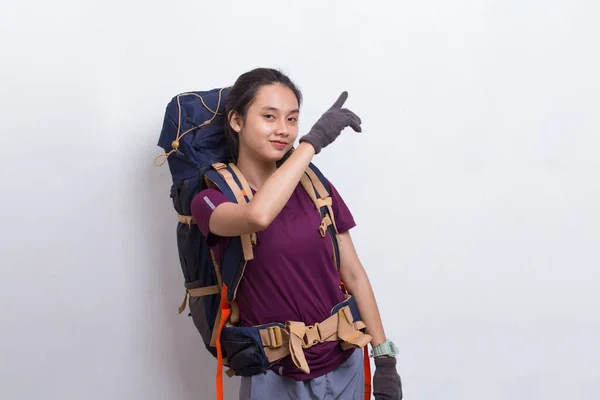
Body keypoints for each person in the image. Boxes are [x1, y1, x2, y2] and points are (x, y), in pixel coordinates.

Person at [191, 68, 402, 400]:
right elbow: (257, 216)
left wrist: (384, 358)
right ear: (236, 120)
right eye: (269, 117)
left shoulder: (314, 185)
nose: (283, 130)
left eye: (292, 119)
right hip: (275, 376)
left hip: (343, 363)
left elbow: (354, 274)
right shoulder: (211, 198)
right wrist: (312, 144)